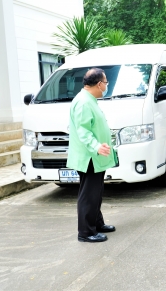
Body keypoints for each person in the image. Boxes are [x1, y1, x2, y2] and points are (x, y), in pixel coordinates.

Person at [67, 68, 117, 243]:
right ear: (99, 84)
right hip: (89, 157)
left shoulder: (89, 100)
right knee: (89, 195)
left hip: (94, 156)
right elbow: (83, 131)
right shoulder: (83, 102)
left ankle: (96, 223)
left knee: (95, 192)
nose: (106, 86)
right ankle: (86, 232)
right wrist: (96, 147)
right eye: (105, 83)